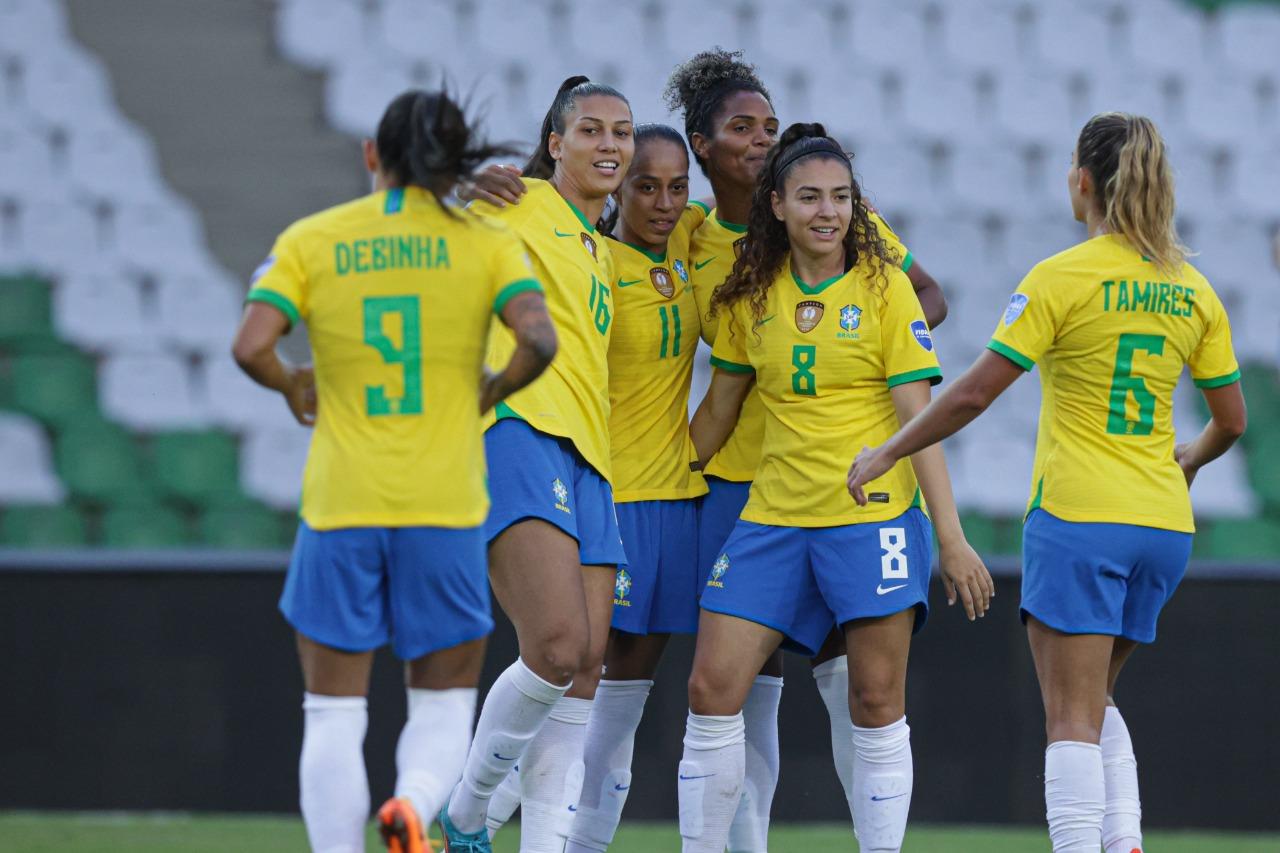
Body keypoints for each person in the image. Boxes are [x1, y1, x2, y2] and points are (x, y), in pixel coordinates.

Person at [847, 113, 1246, 853]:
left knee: (1068, 716)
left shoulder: (1060, 277)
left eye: (1072, 164)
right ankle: (1124, 839)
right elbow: (1233, 418)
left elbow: (971, 395)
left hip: (1079, 516)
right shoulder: (1193, 288)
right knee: (1093, 701)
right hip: (1162, 526)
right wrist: (1187, 459)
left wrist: (886, 451)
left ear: (1085, 180)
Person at [231, 88, 556, 853]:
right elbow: (538, 339)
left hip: (342, 500)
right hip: (443, 504)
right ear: (455, 164)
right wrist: (495, 389)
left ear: (372, 156)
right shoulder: (485, 243)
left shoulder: (314, 238)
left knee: (333, 712)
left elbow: (250, 345)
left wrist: (291, 382)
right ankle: (411, 806)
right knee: (441, 704)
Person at [679, 123, 992, 853]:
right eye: (812, 197)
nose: (829, 211)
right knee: (708, 687)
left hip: (871, 520)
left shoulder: (885, 290)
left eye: (843, 197)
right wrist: (636, 482)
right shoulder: (749, 296)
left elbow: (920, 421)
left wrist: (950, 538)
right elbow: (719, 413)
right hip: (773, 518)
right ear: (778, 204)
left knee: (875, 699)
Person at [439, 76, 635, 853]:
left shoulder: (602, 251)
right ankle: (465, 814)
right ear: (555, 143)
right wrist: (457, 181)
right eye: (591, 130)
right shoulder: (519, 199)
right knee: (553, 645)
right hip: (519, 429)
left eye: (621, 132)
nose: (610, 145)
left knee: (582, 670)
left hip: (592, 458)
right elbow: (438, 211)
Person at [562, 124, 709, 853]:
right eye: (646, 184)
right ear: (617, 185)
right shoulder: (593, 259)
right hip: (608, 496)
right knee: (572, 683)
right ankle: (485, 820)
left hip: (674, 503)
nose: (663, 201)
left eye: (677, 186)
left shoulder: (686, 243)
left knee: (625, 704)